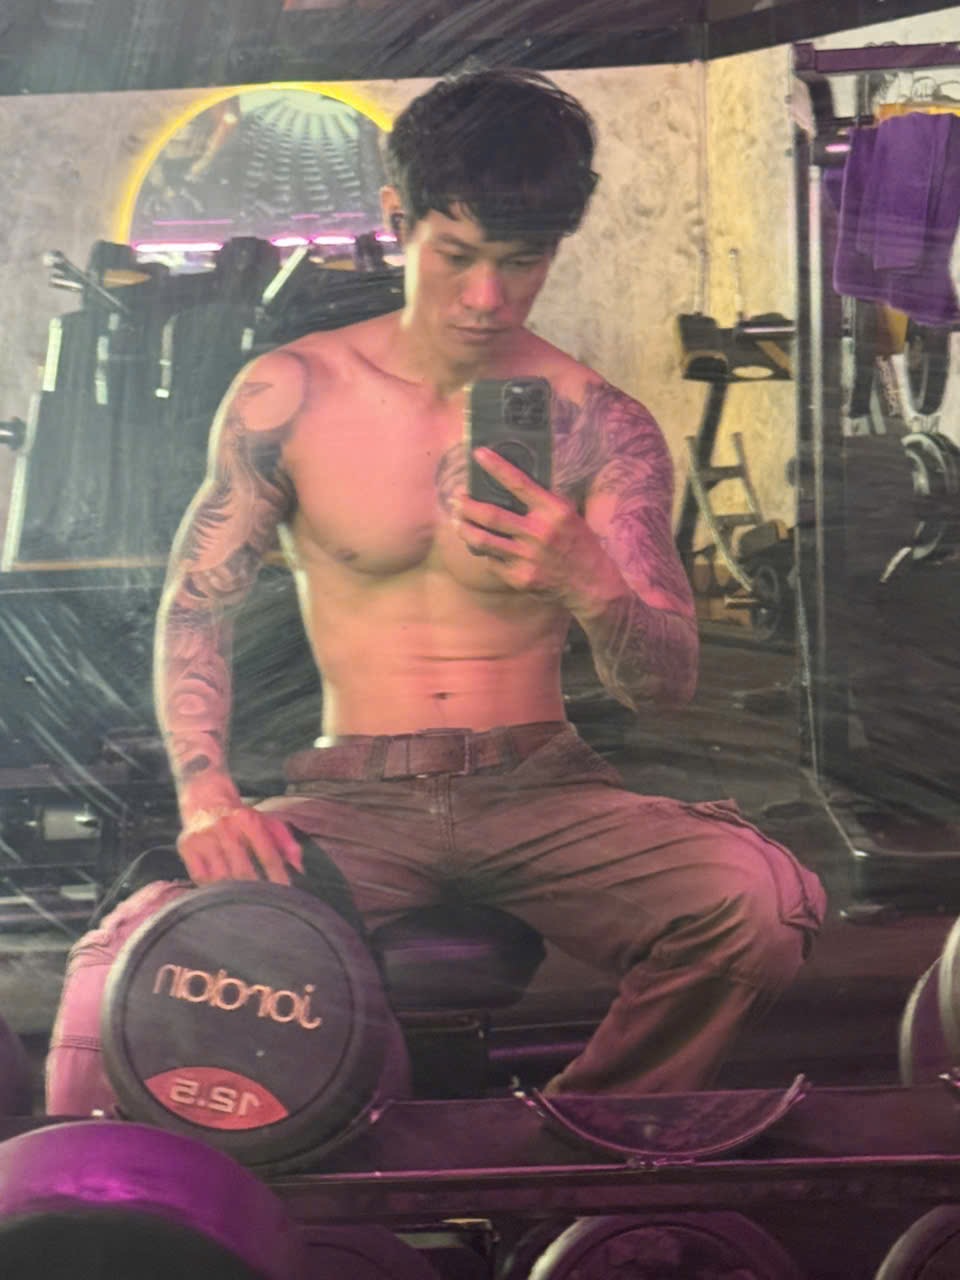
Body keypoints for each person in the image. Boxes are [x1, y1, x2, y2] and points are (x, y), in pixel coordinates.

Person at [46, 69, 825, 1113]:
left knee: (763, 903)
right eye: (457, 255)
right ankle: (125, 1194)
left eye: (522, 261)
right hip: (353, 796)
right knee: (117, 968)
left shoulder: (601, 421)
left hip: (545, 788)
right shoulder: (292, 393)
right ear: (397, 220)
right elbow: (200, 601)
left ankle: (578, 1135)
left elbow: (666, 685)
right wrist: (207, 794)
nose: (487, 297)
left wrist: (590, 581)